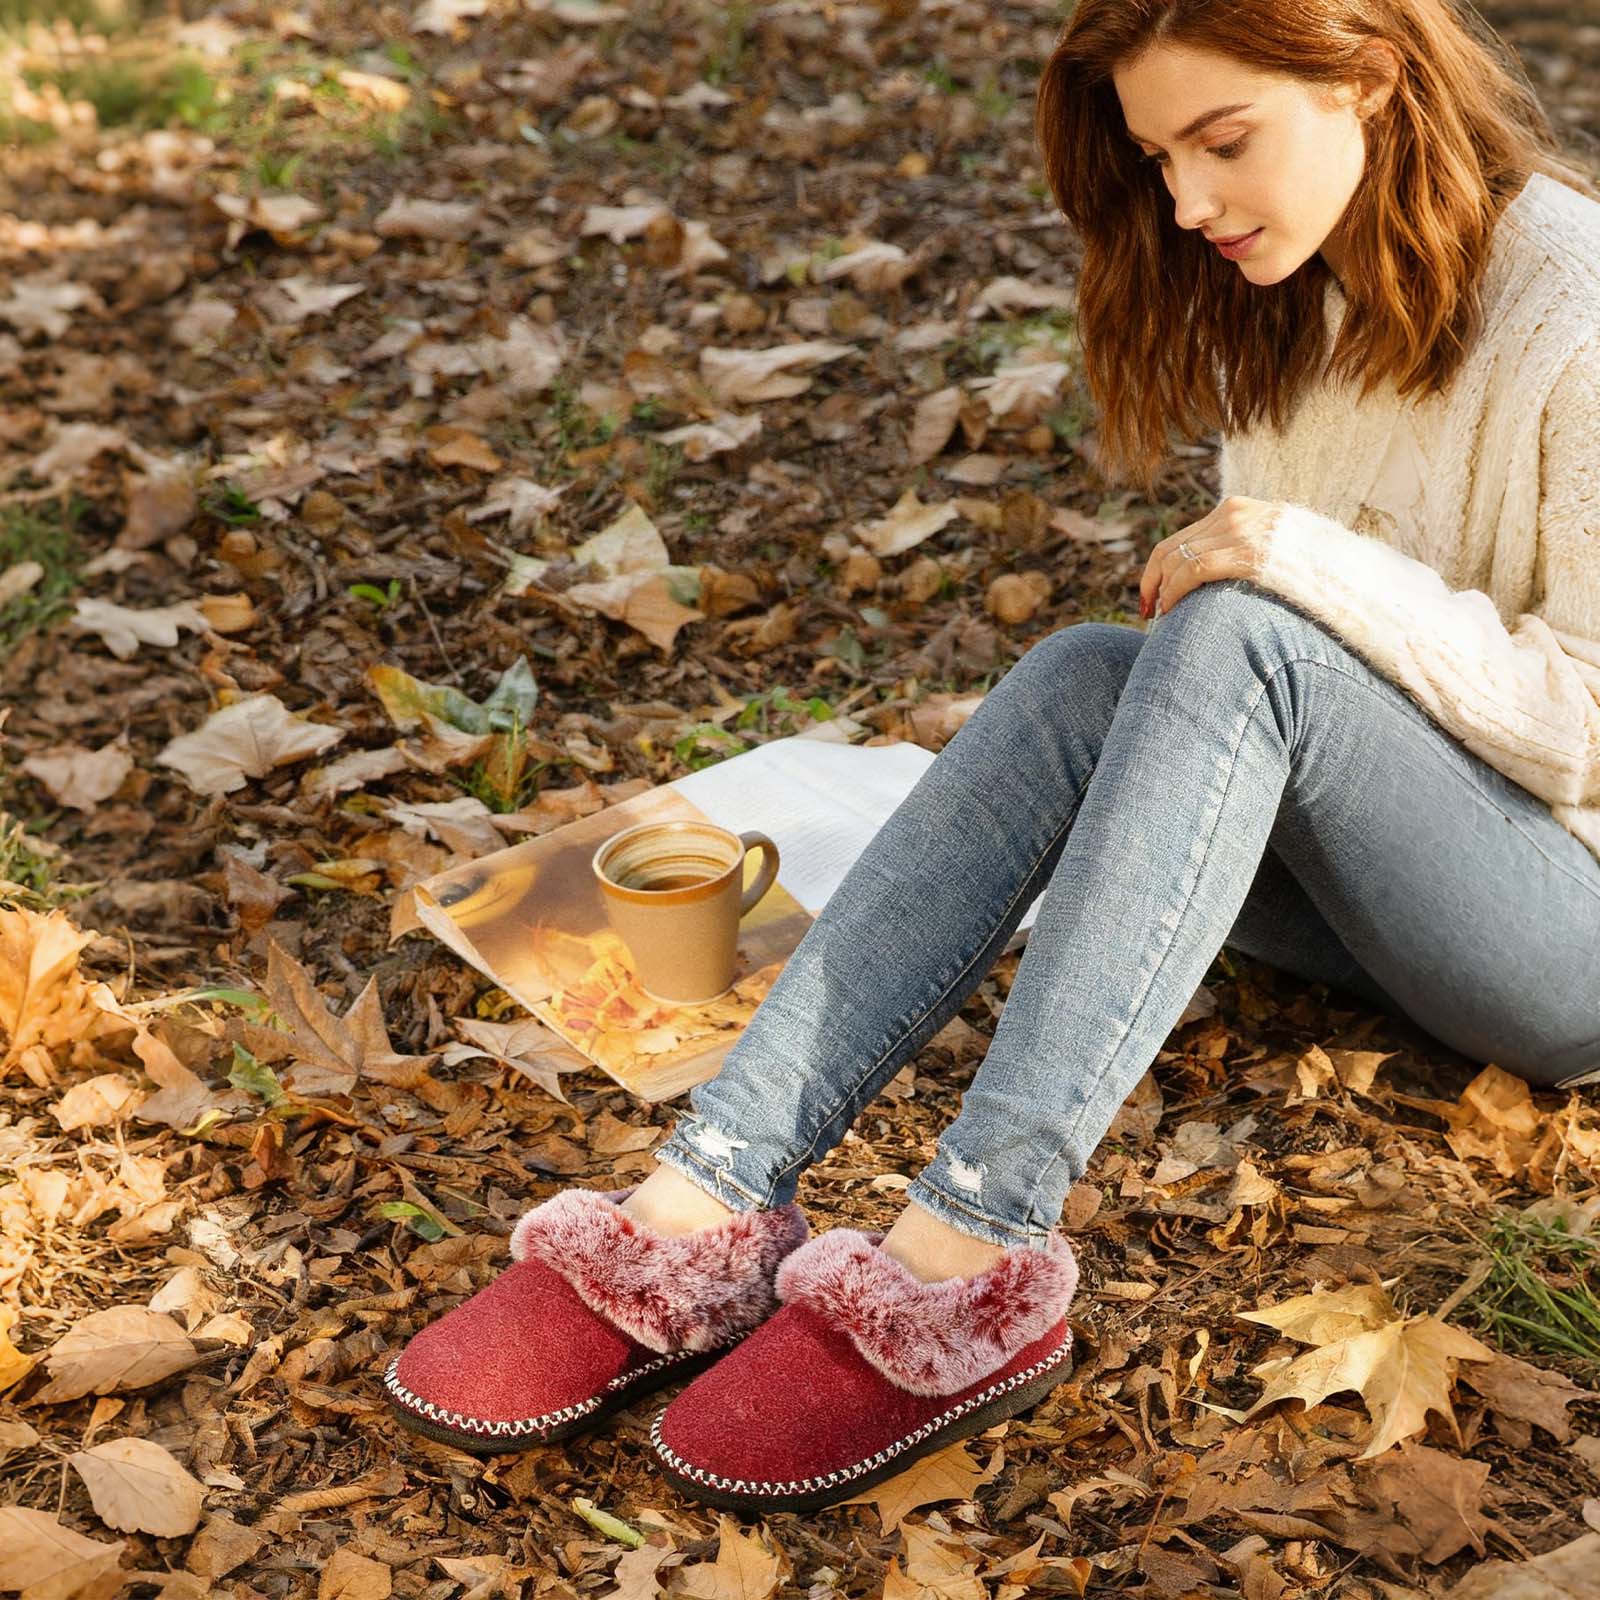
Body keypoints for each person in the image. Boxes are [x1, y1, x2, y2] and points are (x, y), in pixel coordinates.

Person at [384, 0, 1600, 1513]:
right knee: (1093, 671)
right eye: (1162, 159)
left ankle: (969, 1250)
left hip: (1565, 930)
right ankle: (697, 1204)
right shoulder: (1308, 284)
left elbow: (1582, 724)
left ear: (1369, 76)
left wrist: (1296, 562)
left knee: (1239, 630)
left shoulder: (1578, 305)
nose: (1191, 205)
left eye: (1225, 144)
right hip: (1383, 888)